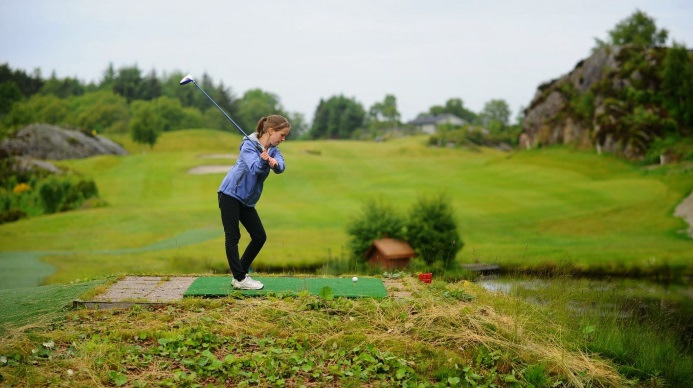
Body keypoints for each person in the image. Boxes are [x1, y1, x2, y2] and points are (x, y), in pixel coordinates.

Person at [217, 114, 290, 290]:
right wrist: (264, 162)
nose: (283, 139)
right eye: (282, 135)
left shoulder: (273, 150)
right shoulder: (248, 146)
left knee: (259, 236)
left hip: (247, 201)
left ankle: (239, 273)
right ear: (271, 131)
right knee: (233, 236)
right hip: (230, 195)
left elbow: (281, 166)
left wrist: (274, 163)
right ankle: (240, 279)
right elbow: (255, 168)